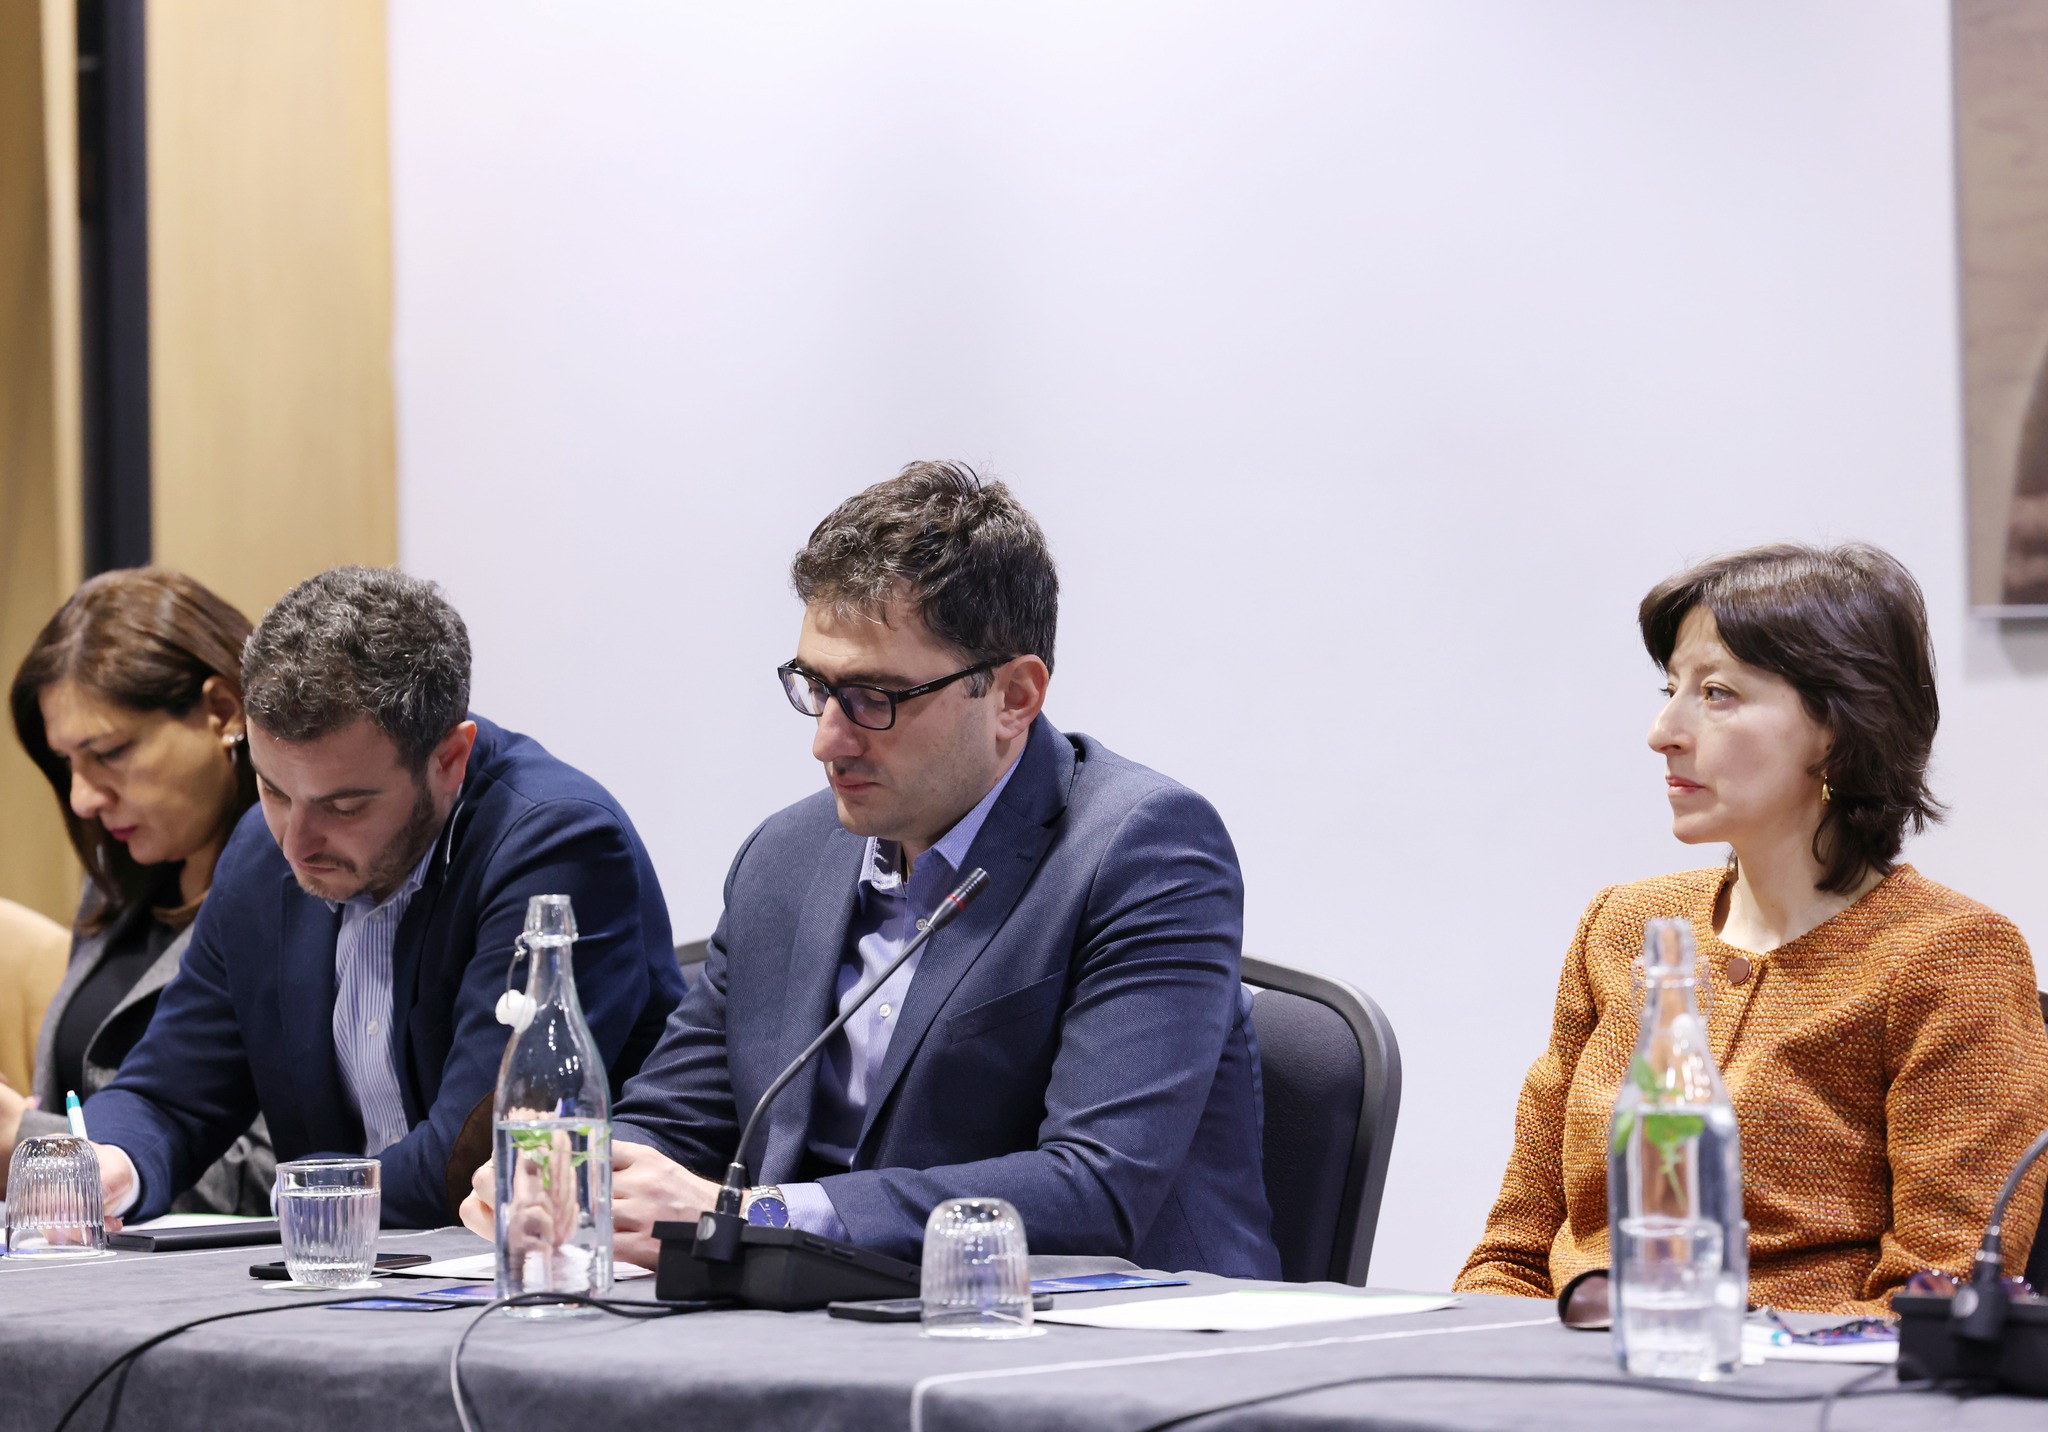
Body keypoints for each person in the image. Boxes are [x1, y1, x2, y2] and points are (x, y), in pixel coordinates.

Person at [461, 462, 1281, 1276]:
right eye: (815, 687)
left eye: (875, 698)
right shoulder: (785, 856)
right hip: (824, 1316)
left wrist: (766, 1217)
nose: (828, 739)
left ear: (1013, 698)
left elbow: (1095, 1188)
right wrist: (575, 1180)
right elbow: (678, 1120)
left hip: (1101, 1325)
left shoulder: (1142, 851)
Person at [1455, 543, 2048, 1315]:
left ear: (1836, 726)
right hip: (1566, 1362)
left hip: (1806, 1376)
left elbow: (1937, 1299)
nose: (1663, 731)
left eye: (1718, 694)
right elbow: (1511, 1255)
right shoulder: (1625, 926)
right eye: (1671, 689)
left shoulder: (1950, 958)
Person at [81, 566, 687, 1227]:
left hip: (534, 1265)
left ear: (449, 760)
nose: (296, 844)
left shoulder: (557, 844)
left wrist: (299, 1197)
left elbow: (478, 1156)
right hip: (343, 1270)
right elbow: (169, 1095)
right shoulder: (259, 852)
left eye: (344, 806)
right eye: (274, 790)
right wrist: (113, 1164)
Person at [4, 570, 274, 1212]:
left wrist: (24, 1139)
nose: (82, 797)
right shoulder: (119, 883)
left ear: (223, 711)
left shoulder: (302, 887)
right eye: (67, 762)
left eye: (109, 752)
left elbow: (279, 1172)